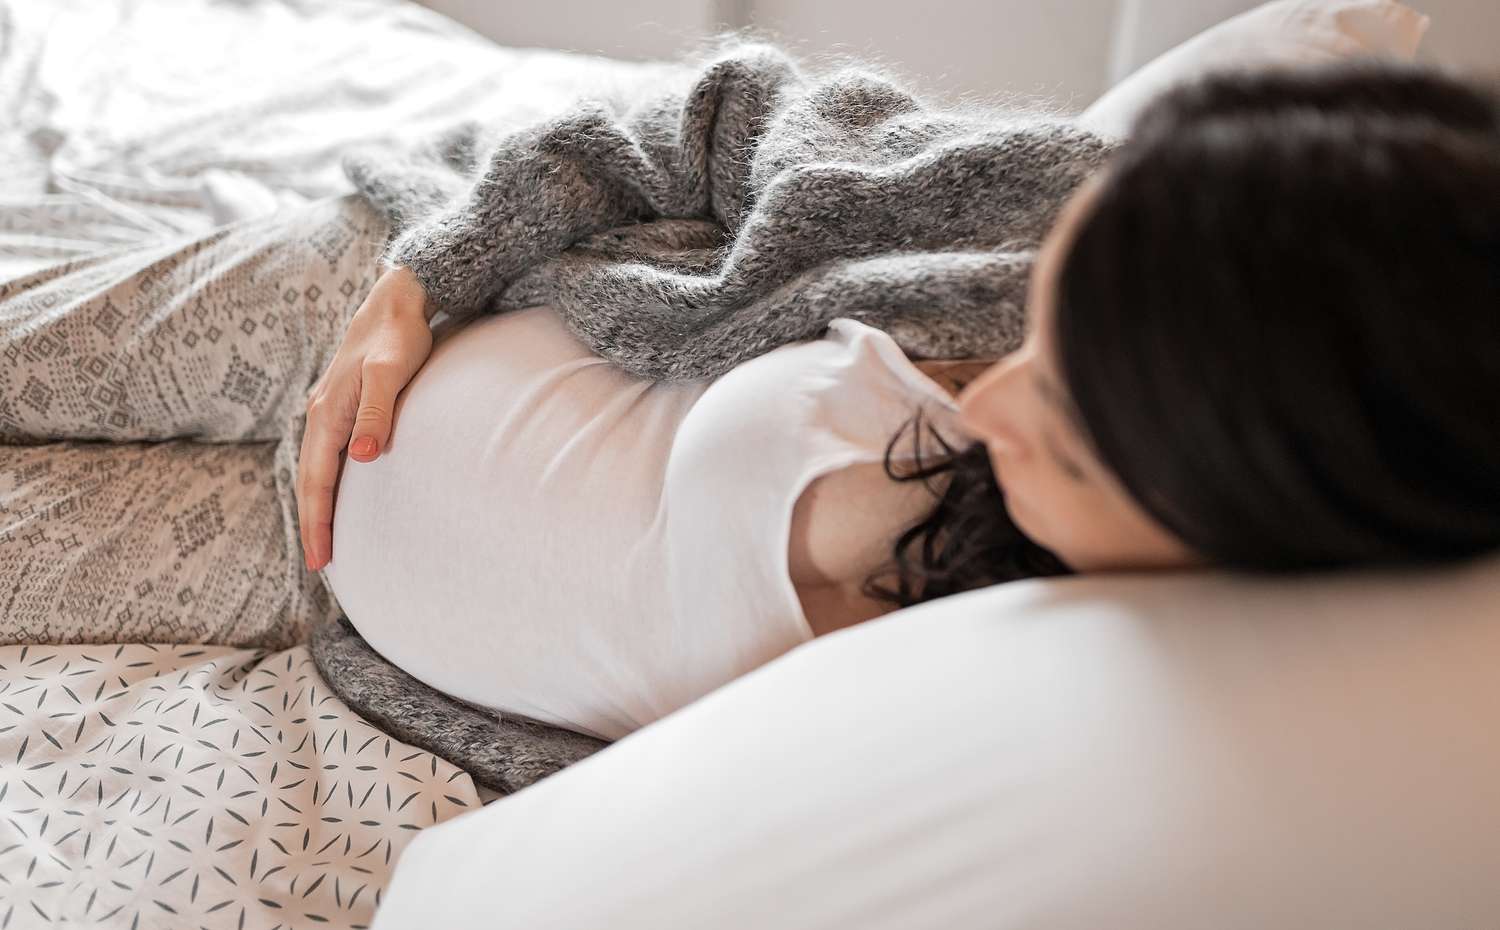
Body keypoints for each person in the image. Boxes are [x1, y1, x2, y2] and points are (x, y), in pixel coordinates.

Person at [301, 60, 1500, 649]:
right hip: (382, 312)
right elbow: (717, 118)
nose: (992, 406)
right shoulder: (1069, 215)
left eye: (1076, 443)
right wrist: (427, 275)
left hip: (309, 597)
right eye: (1042, 332)